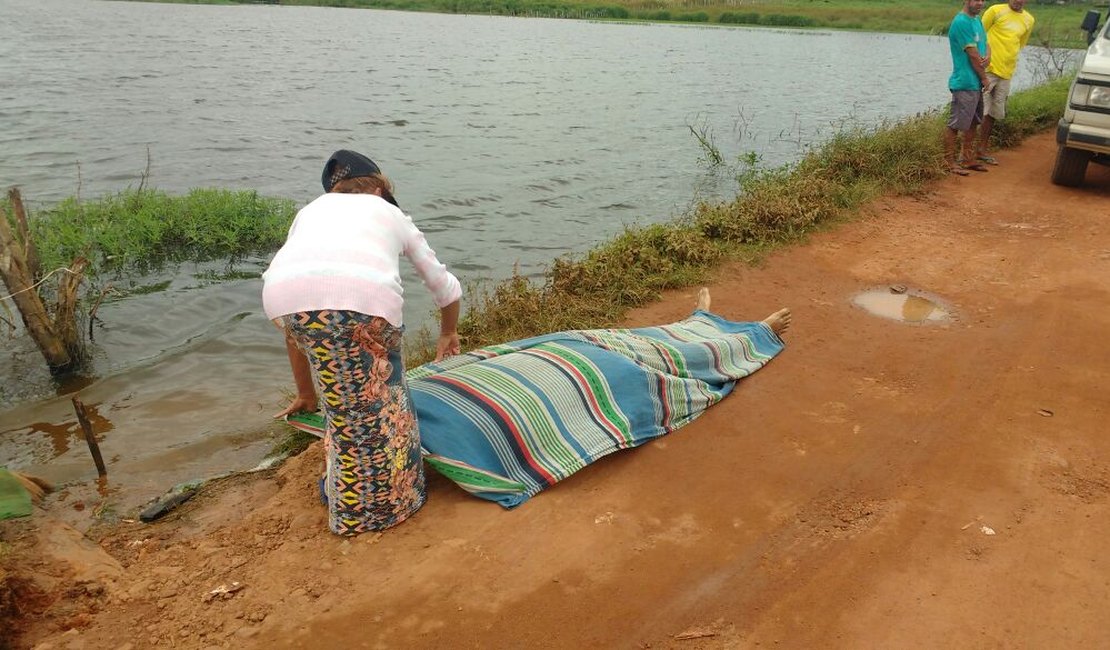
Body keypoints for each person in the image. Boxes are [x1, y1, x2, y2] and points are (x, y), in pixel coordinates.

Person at [291, 288, 791, 509]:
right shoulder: (413, 399)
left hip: (568, 354)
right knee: (645, 360)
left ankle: (724, 332)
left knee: (624, 346)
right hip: (563, 367)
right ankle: (719, 332)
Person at [263, 149, 462, 536]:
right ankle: (364, 514)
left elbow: (301, 311)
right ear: (380, 189)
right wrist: (448, 332)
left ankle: (352, 482)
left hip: (283, 305)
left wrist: (307, 394)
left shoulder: (310, 212)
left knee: (351, 408)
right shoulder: (389, 212)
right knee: (386, 417)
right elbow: (446, 287)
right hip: (361, 313)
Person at [976, 0, 1035, 165]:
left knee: (994, 112)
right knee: (980, 109)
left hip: (1006, 72)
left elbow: (1020, 44)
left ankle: (981, 150)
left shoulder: (1029, 20)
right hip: (988, 69)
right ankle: (965, 152)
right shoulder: (995, 11)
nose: (1018, 1)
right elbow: (979, 35)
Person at [943, 0, 992, 176]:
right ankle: (948, 162)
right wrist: (985, 78)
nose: (980, 3)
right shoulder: (961, 22)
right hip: (964, 81)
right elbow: (972, 54)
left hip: (975, 82)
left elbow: (985, 43)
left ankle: (967, 158)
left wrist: (988, 56)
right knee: (956, 123)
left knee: (973, 121)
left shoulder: (977, 20)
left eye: (982, 0)